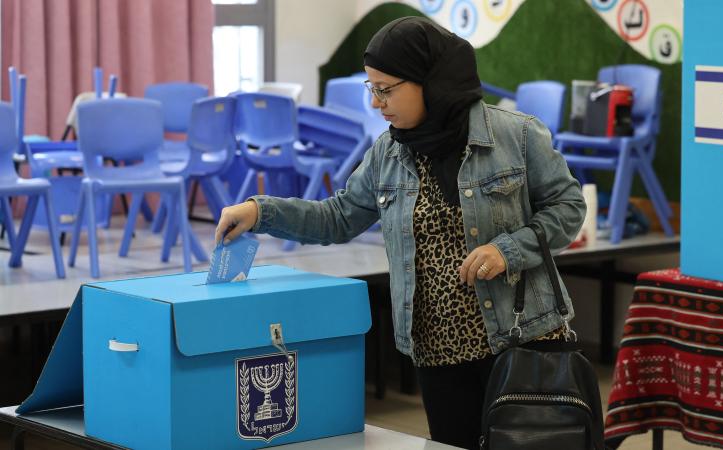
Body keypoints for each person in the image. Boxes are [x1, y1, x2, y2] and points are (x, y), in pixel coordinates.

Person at [215, 16, 586, 450]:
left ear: (430, 81)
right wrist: (261, 211)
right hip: (437, 354)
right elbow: (338, 217)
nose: (376, 103)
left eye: (386, 89)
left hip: (521, 340)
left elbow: (568, 207)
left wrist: (509, 250)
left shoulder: (516, 135)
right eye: (371, 89)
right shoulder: (388, 153)